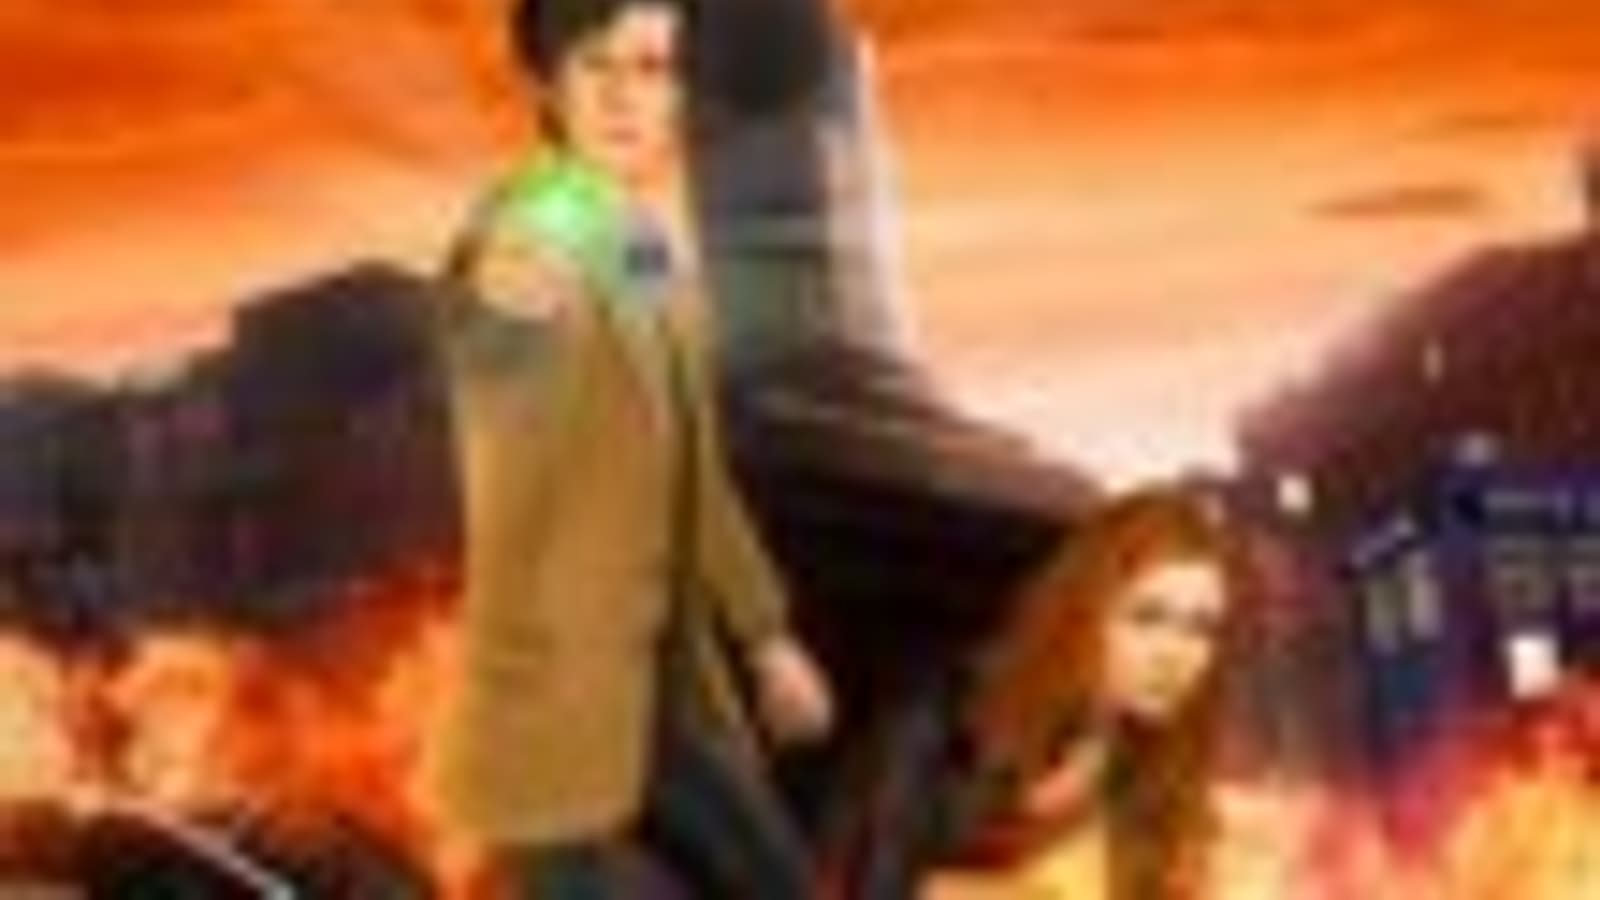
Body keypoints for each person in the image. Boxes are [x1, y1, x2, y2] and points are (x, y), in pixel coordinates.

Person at [424, 1, 834, 897]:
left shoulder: (646, 248)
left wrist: (765, 637)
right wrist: (491, 296)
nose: (623, 97)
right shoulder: (529, 223)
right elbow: (486, 313)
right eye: (596, 66)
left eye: (650, 69)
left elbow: (695, 469)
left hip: (663, 687)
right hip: (553, 702)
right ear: (547, 85)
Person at [834, 486, 1250, 900]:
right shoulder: (946, 724)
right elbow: (875, 881)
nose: (1175, 655)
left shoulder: (1157, 768)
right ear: (1084, 612)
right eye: (1146, 618)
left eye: (1201, 629)